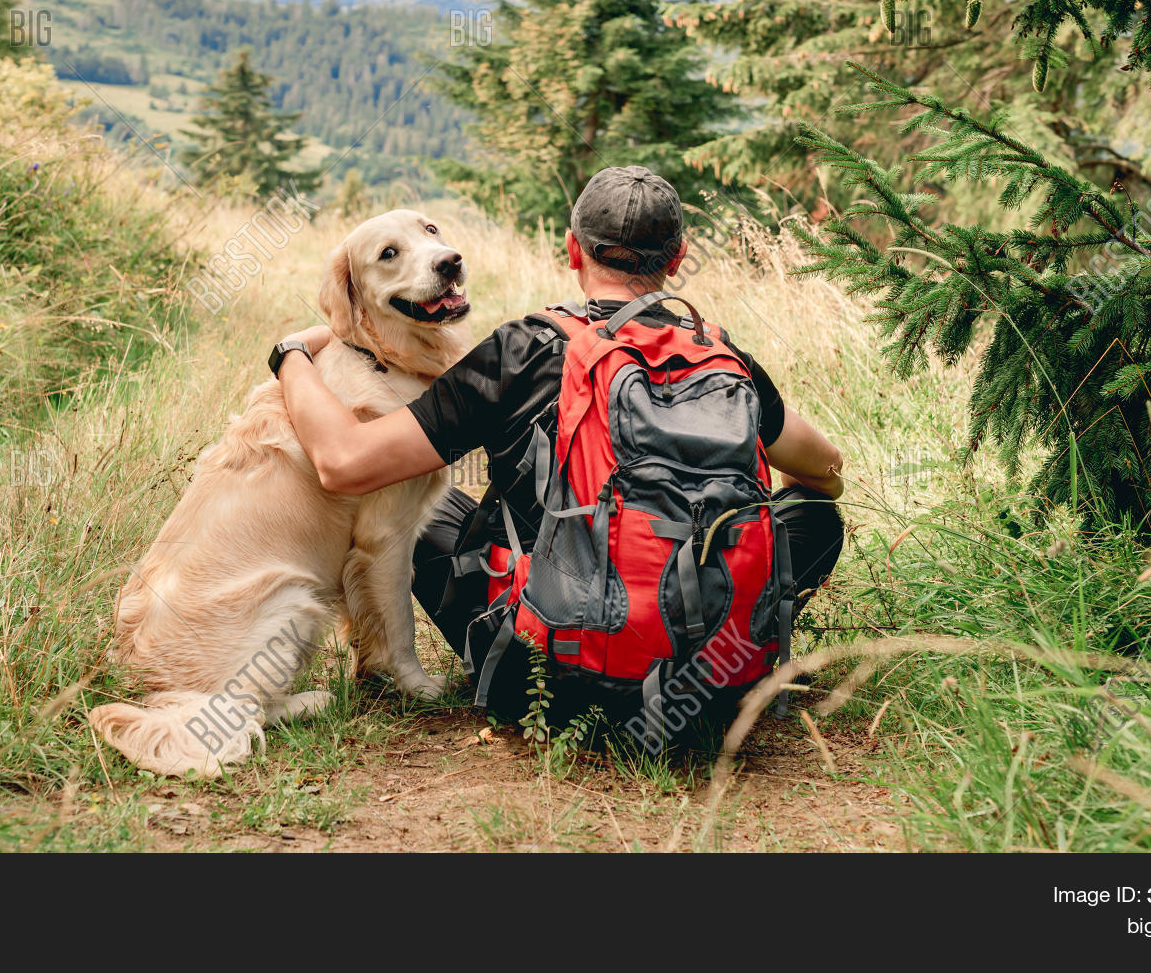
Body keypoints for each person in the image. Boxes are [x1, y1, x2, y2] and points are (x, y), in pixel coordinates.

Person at [271, 166, 844, 735]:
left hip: (541, 680)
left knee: (423, 507)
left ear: (573, 251)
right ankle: (728, 642)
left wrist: (292, 355)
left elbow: (344, 464)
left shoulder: (519, 352)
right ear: (677, 258)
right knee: (818, 517)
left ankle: (438, 650)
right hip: (713, 689)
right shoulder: (721, 356)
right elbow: (827, 472)